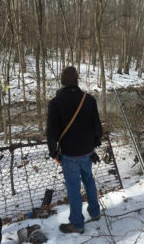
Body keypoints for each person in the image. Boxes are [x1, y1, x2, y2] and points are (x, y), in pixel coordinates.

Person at [46, 66, 102, 234]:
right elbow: (97, 127)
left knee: (73, 189)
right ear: (77, 80)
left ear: (62, 82)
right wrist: (94, 146)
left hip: (69, 154)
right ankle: (95, 212)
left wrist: (53, 153)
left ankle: (77, 224)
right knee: (89, 181)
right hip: (87, 151)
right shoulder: (89, 100)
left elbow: (51, 132)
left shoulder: (55, 103)